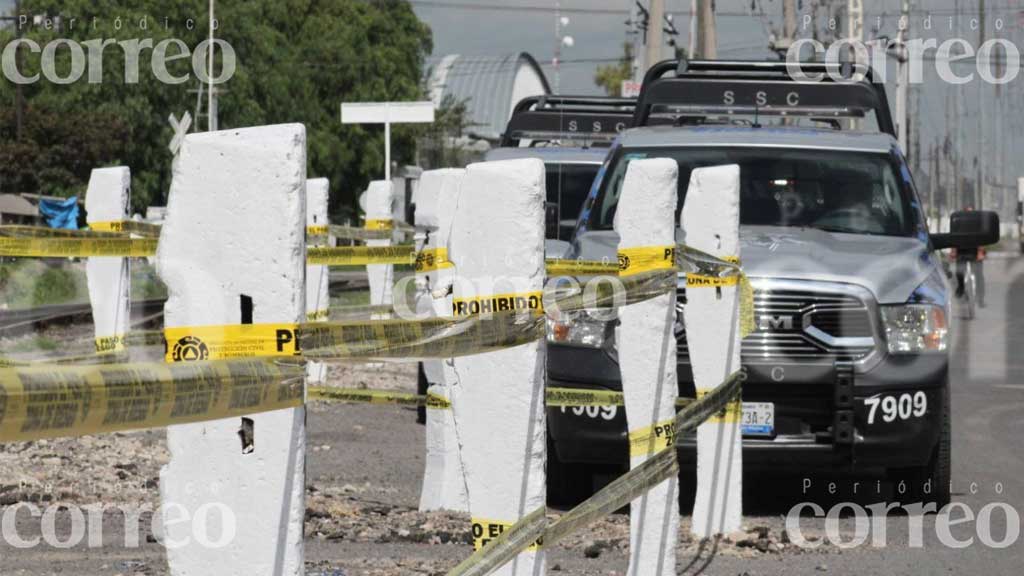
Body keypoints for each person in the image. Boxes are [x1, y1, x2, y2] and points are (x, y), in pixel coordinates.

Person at [952, 207, 986, 308]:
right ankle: (961, 288)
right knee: (959, 272)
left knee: (979, 275)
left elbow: (982, 239)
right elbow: (954, 238)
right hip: (962, 251)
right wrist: (953, 252)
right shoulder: (958, 224)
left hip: (975, 252)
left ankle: (980, 298)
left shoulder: (978, 225)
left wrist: (980, 252)